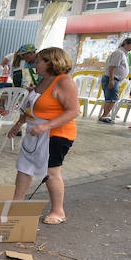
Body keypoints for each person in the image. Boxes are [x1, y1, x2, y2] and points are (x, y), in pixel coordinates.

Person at [7, 48, 78, 224]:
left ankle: (58, 211)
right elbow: (30, 106)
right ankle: (17, 202)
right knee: (24, 167)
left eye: (39, 61)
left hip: (56, 134)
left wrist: (47, 125)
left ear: (50, 62)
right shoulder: (42, 81)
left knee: (51, 172)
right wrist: (18, 124)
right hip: (35, 131)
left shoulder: (64, 82)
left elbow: (73, 111)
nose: (35, 64)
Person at [98, 37, 131, 123]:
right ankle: (104, 116)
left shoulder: (124, 53)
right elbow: (112, 67)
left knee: (110, 98)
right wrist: (111, 79)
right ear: (126, 43)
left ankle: (106, 115)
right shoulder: (119, 53)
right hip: (112, 78)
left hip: (115, 79)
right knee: (112, 98)